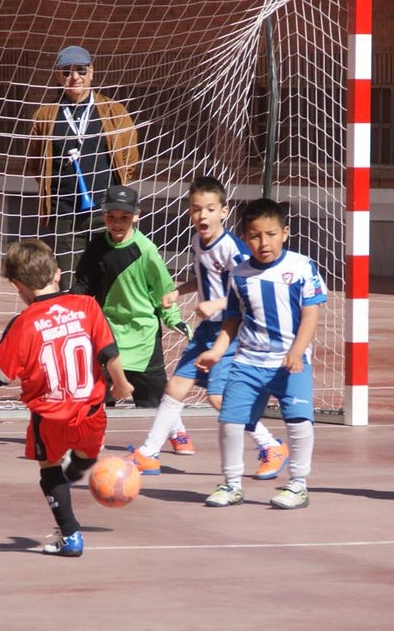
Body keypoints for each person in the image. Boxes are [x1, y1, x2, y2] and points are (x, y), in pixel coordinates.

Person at [0, 238, 133, 557]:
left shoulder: (23, 324)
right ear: (58, 274)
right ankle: (77, 471)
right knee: (86, 456)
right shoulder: (87, 305)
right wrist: (121, 386)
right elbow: (109, 352)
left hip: (49, 417)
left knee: (48, 470)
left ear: (16, 286)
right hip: (92, 411)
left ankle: (71, 535)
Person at [125, 176, 288, 478]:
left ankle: (270, 446)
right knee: (175, 387)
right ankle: (148, 454)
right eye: (197, 209)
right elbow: (203, 279)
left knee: (218, 399)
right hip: (206, 331)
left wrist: (217, 304)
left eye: (210, 209)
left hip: (230, 330)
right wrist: (178, 291)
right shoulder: (198, 241)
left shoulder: (233, 250)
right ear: (190, 212)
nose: (203, 215)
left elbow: (249, 287)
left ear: (224, 212)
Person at [196, 197, 327, 510]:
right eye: (255, 236)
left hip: (290, 363)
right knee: (230, 421)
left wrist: (297, 352)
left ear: (285, 232)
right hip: (248, 362)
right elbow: (233, 319)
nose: (263, 242)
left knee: (298, 422)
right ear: (244, 238)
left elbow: (310, 315)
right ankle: (231, 484)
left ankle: (297, 484)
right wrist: (217, 350)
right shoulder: (240, 275)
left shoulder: (301, 267)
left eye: (270, 234)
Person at [27, 44, 139, 287]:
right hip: (65, 215)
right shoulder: (45, 116)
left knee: (108, 281)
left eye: (81, 70)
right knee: (71, 284)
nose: (74, 77)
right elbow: (36, 164)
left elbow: (130, 160)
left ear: (91, 72)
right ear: (58, 76)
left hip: (107, 215)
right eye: (67, 71)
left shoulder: (114, 111)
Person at [71, 184, 187, 410]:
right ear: (103, 215)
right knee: (95, 404)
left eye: (124, 217)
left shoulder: (146, 250)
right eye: (111, 217)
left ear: (136, 216)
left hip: (143, 336)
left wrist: (173, 319)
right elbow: (83, 285)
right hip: (109, 335)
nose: (116, 223)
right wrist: (68, 308)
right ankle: (90, 444)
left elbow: (163, 289)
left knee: (155, 408)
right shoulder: (97, 245)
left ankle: (172, 437)